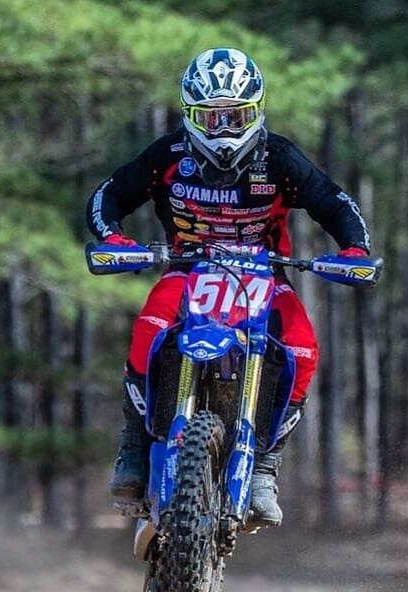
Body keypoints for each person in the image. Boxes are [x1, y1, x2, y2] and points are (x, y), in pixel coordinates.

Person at [86, 47, 371, 528]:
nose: (222, 129)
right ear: (189, 114)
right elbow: (108, 195)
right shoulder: (168, 155)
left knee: (302, 350)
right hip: (186, 270)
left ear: (255, 111)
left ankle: (264, 464)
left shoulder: (278, 157)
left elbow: (335, 202)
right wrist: (115, 238)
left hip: (264, 276)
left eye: (234, 116)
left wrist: (354, 250)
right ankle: (134, 448)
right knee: (148, 331)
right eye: (209, 117)